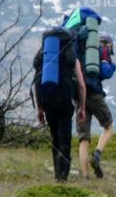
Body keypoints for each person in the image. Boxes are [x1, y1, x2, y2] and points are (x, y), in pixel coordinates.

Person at [33, 28, 87, 182]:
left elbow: (37, 83)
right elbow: (82, 85)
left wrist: (39, 108)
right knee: (65, 138)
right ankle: (62, 177)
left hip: (47, 101)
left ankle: (57, 174)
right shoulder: (71, 59)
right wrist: (82, 108)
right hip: (64, 101)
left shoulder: (44, 59)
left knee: (55, 137)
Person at [78, 33, 116, 179]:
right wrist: (110, 63)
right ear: (109, 45)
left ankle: (86, 177)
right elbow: (106, 73)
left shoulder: (85, 51)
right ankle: (97, 155)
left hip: (80, 96)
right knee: (108, 127)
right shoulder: (103, 53)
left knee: (84, 138)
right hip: (94, 95)